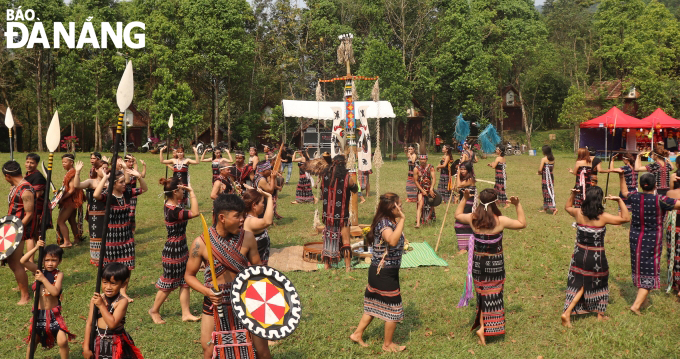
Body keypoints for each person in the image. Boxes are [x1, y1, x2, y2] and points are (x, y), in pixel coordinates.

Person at [184, 194, 271, 359]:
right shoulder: (201, 243)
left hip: (245, 299)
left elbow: (259, 270)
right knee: (209, 349)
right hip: (215, 301)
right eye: (237, 216)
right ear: (222, 217)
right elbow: (189, 276)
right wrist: (207, 292)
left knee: (262, 350)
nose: (241, 220)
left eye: (243, 215)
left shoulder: (248, 238)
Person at [455, 188, 526, 345]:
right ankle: (484, 328)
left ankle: (482, 326)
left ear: (480, 201)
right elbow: (522, 223)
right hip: (495, 265)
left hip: (478, 265)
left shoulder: (473, 218)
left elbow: (457, 215)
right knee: (492, 295)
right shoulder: (500, 221)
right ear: (496, 203)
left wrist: (465, 198)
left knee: (482, 295)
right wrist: (517, 204)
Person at [561, 187, 630, 327]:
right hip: (596, 256)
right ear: (599, 200)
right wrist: (619, 200)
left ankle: (569, 311)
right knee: (601, 281)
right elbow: (626, 218)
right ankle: (598, 314)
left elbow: (567, 206)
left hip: (579, 254)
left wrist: (573, 193)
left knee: (579, 283)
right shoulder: (603, 216)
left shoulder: (578, 212)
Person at [350, 193, 407, 353]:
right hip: (384, 274)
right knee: (394, 309)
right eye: (399, 205)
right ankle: (387, 344)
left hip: (381, 271)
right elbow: (392, 240)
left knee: (373, 305)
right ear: (392, 207)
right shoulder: (384, 224)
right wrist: (402, 220)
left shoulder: (388, 221)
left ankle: (357, 334)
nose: (401, 207)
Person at [620, 172, 680, 314]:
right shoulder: (660, 200)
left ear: (641, 185)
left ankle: (643, 300)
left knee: (638, 266)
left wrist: (621, 176)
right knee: (650, 270)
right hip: (652, 240)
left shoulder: (634, 196)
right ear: (656, 186)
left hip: (635, 237)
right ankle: (636, 305)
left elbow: (623, 192)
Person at [148, 178, 201, 324]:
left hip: (181, 249)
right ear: (175, 192)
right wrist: (192, 192)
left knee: (185, 281)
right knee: (168, 283)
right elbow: (195, 212)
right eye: (181, 189)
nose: (183, 190)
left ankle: (186, 313)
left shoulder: (171, 205)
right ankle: (154, 310)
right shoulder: (174, 211)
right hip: (173, 253)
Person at [93, 168, 147, 302]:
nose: (125, 184)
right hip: (111, 237)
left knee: (127, 265)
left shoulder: (127, 193)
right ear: (114, 183)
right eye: (122, 182)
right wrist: (105, 178)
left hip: (126, 236)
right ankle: (107, 292)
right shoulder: (108, 196)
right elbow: (95, 195)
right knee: (109, 266)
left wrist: (139, 176)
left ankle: (123, 293)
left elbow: (144, 189)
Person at [21, 240, 75, 359]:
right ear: (43, 260)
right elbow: (23, 261)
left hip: (53, 313)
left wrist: (43, 279)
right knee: (33, 341)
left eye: (54, 260)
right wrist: (36, 247)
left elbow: (55, 292)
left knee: (62, 341)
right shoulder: (39, 270)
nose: (50, 263)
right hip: (39, 313)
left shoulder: (58, 274)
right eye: (47, 260)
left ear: (59, 261)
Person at [82, 263, 144, 359]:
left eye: (113, 283)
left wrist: (101, 305)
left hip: (115, 342)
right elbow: (89, 323)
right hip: (98, 340)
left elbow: (112, 324)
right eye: (105, 282)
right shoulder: (96, 299)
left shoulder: (122, 301)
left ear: (123, 284)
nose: (108, 287)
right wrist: (86, 348)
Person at [3, 160, 33, 305]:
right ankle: (22, 286)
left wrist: (15, 231)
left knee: (16, 263)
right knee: (13, 263)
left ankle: (25, 296)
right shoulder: (17, 187)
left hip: (19, 230)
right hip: (12, 229)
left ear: (7, 176)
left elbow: (29, 214)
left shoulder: (26, 190)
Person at [321, 155, 358, 271]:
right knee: (346, 241)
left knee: (328, 239)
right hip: (342, 216)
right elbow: (355, 188)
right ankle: (347, 267)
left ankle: (327, 265)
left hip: (328, 215)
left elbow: (323, 191)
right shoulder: (347, 177)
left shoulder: (325, 176)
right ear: (343, 164)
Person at [74, 161, 108, 266]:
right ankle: (96, 259)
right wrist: (77, 172)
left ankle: (108, 257)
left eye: (107, 168)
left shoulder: (111, 182)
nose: (105, 170)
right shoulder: (91, 182)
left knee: (108, 235)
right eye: (103, 168)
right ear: (96, 170)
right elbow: (77, 185)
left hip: (108, 213)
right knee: (96, 236)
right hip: (95, 215)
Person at [24, 153, 50, 263]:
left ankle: (30, 262)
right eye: (27, 162)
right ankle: (45, 256)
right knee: (36, 236)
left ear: (36, 164)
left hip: (35, 210)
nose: (29, 165)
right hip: (30, 208)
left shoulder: (38, 176)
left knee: (29, 235)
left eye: (32, 163)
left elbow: (37, 194)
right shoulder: (28, 174)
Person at [56, 153, 84, 248]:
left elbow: (72, 190)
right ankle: (77, 239)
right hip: (72, 200)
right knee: (71, 220)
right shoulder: (70, 172)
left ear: (71, 162)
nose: (63, 164)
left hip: (71, 201)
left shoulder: (72, 173)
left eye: (65, 162)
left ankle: (67, 242)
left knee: (60, 221)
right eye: (62, 162)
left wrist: (61, 199)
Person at [243, 187, 274, 265]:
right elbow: (267, 221)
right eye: (262, 202)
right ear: (254, 205)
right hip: (255, 269)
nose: (263, 205)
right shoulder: (250, 221)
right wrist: (269, 197)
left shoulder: (250, 218)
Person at [454, 161, 476, 253]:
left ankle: (465, 247)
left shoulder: (470, 179)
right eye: (461, 169)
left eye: (464, 169)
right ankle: (465, 246)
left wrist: (458, 174)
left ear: (469, 170)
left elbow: (459, 185)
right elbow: (456, 188)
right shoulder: (464, 179)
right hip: (463, 204)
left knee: (460, 225)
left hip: (468, 205)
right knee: (462, 225)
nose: (462, 171)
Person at [124, 155, 146, 234]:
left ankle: (131, 229)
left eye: (132, 161)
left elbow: (142, 175)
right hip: (124, 193)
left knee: (132, 212)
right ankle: (126, 227)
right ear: (125, 162)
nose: (131, 163)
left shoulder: (134, 170)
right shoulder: (123, 171)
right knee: (126, 211)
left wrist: (144, 166)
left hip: (133, 193)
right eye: (129, 161)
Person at [414, 154, 436, 228]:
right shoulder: (416, 169)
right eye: (421, 159)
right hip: (421, 189)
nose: (423, 161)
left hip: (429, 188)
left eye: (424, 159)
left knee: (430, 203)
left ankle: (428, 219)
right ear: (419, 160)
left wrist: (431, 188)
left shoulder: (431, 167)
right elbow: (416, 181)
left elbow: (434, 178)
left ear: (426, 159)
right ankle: (418, 223)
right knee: (420, 203)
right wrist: (421, 190)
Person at [538, 145, 557, 214]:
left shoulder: (544, 159)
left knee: (546, 192)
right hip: (551, 178)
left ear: (544, 152)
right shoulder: (553, 159)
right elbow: (551, 169)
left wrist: (539, 172)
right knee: (549, 191)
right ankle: (545, 208)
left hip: (545, 178)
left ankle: (553, 208)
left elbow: (540, 169)